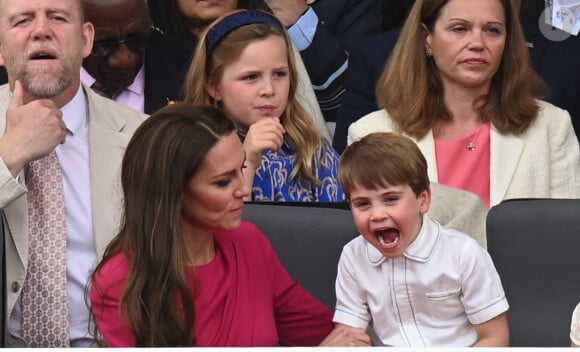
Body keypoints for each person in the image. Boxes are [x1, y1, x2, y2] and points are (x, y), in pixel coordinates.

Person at [89, 103, 370, 347]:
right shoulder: (119, 283)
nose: (244, 191)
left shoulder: (247, 242)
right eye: (223, 181)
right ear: (173, 192)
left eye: (242, 169)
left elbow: (324, 331)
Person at [0, 0, 146, 346]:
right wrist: (9, 156)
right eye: (22, 20)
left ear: (86, 40)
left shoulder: (144, 136)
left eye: (57, 17)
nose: (41, 30)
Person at [347, 0, 580, 208]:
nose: (477, 43)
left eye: (492, 30)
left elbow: (565, 242)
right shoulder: (371, 133)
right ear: (426, 38)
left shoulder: (552, 127)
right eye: (460, 29)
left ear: (507, 41)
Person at [333, 131, 509, 346]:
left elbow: (495, 337)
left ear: (423, 200)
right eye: (363, 204)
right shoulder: (353, 257)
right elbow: (348, 335)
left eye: (390, 199)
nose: (377, 214)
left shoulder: (464, 253)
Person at [185, 10, 344, 202]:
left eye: (279, 74)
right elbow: (217, 228)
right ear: (214, 86)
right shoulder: (193, 153)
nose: (268, 89)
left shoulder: (313, 149)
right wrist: (247, 162)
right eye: (251, 77)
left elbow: (342, 223)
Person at [81, 0, 191, 114]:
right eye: (104, 45)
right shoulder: (61, 88)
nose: (124, 59)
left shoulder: (188, 71)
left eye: (136, 38)